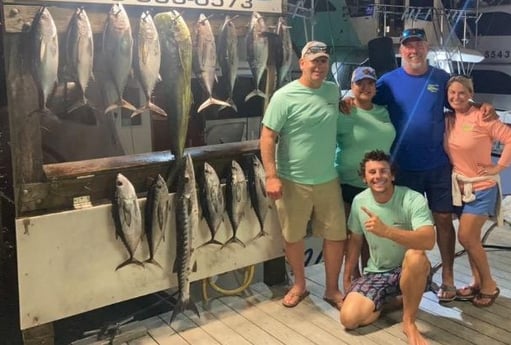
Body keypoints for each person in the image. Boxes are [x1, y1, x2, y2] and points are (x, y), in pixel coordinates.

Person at [369, 27, 496, 302]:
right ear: (400, 50)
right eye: (407, 46)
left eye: (418, 45)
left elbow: (461, 100)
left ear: (426, 47)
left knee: (442, 221)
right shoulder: (388, 81)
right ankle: (411, 276)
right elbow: (364, 99)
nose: (413, 51)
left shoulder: (440, 77)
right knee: (407, 225)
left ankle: (448, 278)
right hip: (402, 167)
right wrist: (346, 102)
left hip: (438, 166)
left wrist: (484, 106)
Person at [260, 41, 347, 309]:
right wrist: (271, 176)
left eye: (323, 61)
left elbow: (343, 104)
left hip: (327, 179)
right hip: (292, 180)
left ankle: (332, 289)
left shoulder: (333, 91)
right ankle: (299, 284)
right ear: (302, 64)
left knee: (336, 236)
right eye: (314, 61)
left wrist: (349, 101)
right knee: (293, 236)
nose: (319, 66)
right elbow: (267, 136)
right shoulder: (284, 96)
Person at [340, 150, 435, 345]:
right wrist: (348, 274)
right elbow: (355, 240)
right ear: (364, 178)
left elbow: (428, 240)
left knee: (415, 255)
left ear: (392, 175)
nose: (378, 176)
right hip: (377, 272)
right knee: (349, 320)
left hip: (411, 269)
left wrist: (387, 231)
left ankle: (408, 322)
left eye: (383, 171)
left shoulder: (412, 198)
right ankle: (396, 300)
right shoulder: (360, 201)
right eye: (372, 172)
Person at [444, 76, 511, 307]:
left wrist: (499, 167)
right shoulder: (450, 118)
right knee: (471, 239)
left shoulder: (483, 116)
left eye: (461, 93)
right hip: (461, 189)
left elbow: (510, 138)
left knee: (466, 236)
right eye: (452, 93)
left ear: (471, 92)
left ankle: (490, 285)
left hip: (482, 187)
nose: (456, 97)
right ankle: (477, 282)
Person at [336, 66, 396, 280]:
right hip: (349, 183)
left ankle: (371, 280)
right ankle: (351, 281)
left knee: (374, 236)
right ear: (351, 86)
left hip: (379, 185)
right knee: (351, 237)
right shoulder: (342, 110)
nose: (365, 87)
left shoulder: (383, 110)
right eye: (360, 83)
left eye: (370, 83)